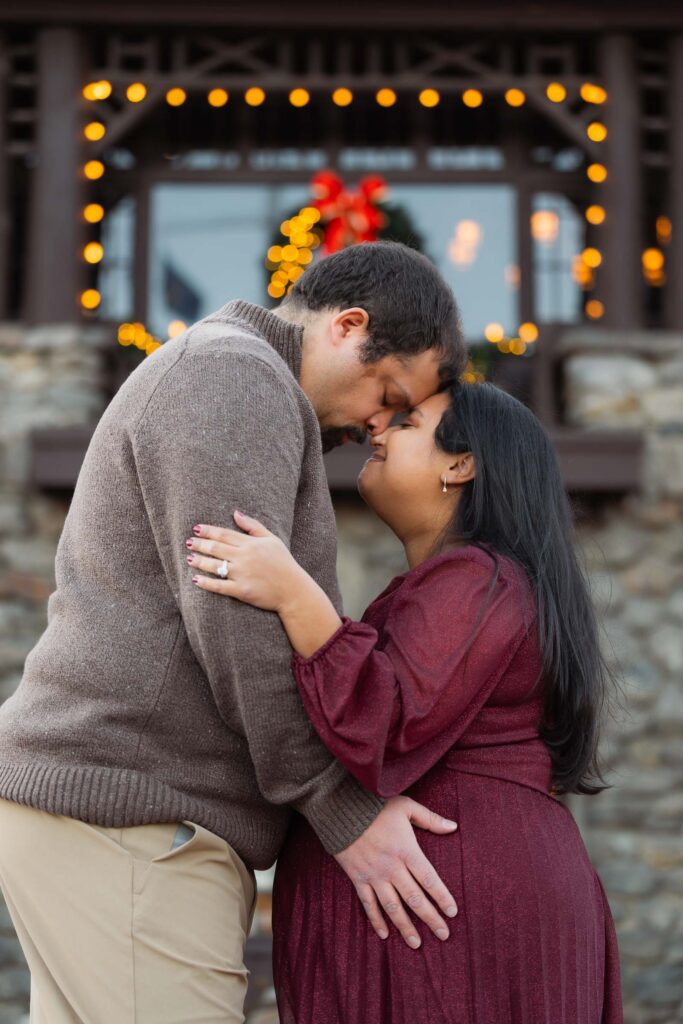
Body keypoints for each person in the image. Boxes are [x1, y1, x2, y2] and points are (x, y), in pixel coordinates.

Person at [0, 242, 467, 1023]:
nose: (378, 427)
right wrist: (341, 809)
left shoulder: (230, 375)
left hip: (120, 815)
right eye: (386, 393)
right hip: (133, 817)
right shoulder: (235, 378)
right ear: (347, 327)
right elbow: (239, 621)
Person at [186, 381, 624, 1024]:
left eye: (408, 421)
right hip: (449, 910)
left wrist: (294, 596)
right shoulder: (467, 584)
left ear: (460, 463)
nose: (378, 432)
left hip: (450, 919)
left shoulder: (478, 578)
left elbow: (386, 724)